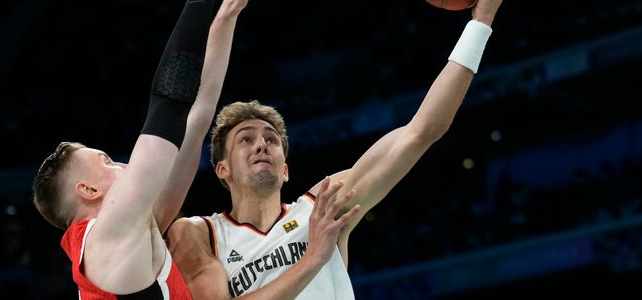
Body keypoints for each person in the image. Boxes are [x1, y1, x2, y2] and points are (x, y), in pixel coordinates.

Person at [167, 0, 504, 298]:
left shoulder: (322, 207)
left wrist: (481, 23)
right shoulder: (200, 233)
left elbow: (421, 131)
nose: (261, 146)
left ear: (285, 169)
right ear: (222, 169)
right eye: (246, 139)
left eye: (271, 139)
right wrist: (313, 258)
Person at [30, 0, 247, 298]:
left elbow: (196, 117)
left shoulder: (135, 231)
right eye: (105, 161)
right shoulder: (107, 238)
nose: (120, 164)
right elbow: (169, 103)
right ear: (88, 190)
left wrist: (225, 17)